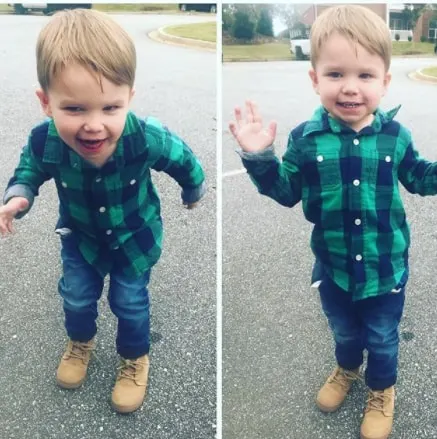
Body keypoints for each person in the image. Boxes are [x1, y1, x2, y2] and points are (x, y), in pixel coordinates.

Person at [229, 5, 436, 439]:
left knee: (382, 337)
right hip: (334, 268)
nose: (350, 88)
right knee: (344, 332)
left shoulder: (395, 137)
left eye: (365, 76)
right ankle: (346, 369)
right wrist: (258, 159)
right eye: (336, 74)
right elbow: (286, 192)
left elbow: (418, 176)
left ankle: (381, 389)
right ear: (314, 78)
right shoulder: (305, 138)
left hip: (385, 268)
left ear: (384, 81)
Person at [0, 9, 206, 414]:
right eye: (74, 109)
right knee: (76, 297)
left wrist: (192, 189)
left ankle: (134, 358)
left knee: (130, 302)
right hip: (81, 238)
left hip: (135, 238)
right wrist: (17, 200)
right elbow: (28, 171)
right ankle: (80, 342)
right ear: (45, 102)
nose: (94, 125)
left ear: (129, 97)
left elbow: (184, 160)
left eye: (110, 108)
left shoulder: (146, 137)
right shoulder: (45, 141)